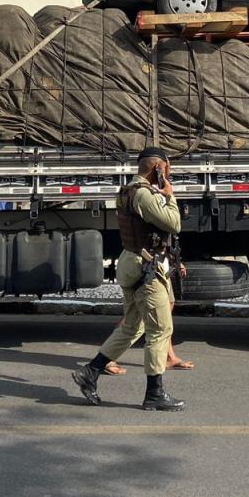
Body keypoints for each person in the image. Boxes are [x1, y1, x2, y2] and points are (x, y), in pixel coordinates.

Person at [72, 146, 186, 411]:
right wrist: (170, 197)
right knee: (160, 329)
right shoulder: (145, 195)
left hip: (134, 261)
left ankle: (90, 372)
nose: (168, 173)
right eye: (166, 168)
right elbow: (174, 224)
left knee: (133, 326)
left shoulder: (128, 191)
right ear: (158, 168)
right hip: (146, 267)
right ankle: (155, 394)